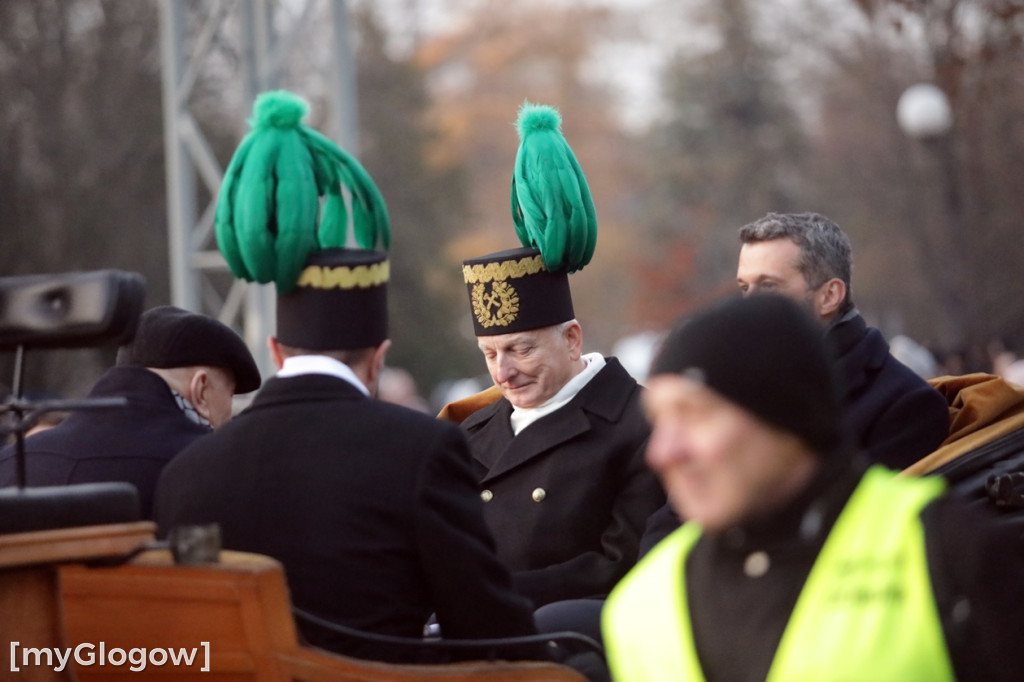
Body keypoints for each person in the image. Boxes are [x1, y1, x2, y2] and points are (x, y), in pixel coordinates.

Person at [154, 90, 536, 664]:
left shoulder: (187, 470)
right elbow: (487, 627)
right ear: (378, 357)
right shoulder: (421, 447)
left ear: (276, 349)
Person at [603, 294, 1024, 682]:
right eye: (658, 421)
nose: (662, 452)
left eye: (693, 415)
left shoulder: (944, 549)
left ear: (784, 415)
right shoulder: (641, 603)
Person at [447, 103, 664, 609]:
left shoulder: (640, 423)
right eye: (490, 353)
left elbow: (623, 565)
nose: (504, 370)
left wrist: (492, 596)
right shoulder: (469, 430)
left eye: (521, 348)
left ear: (572, 338)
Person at [0, 305, 261, 518]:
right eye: (230, 392)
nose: (231, 410)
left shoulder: (13, 462)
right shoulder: (213, 469)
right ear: (201, 390)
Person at [736, 211, 949, 470]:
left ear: (829, 296)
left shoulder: (907, 405)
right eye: (745, 288)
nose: (748, 304)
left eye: (768, 285)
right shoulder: (734, 386)